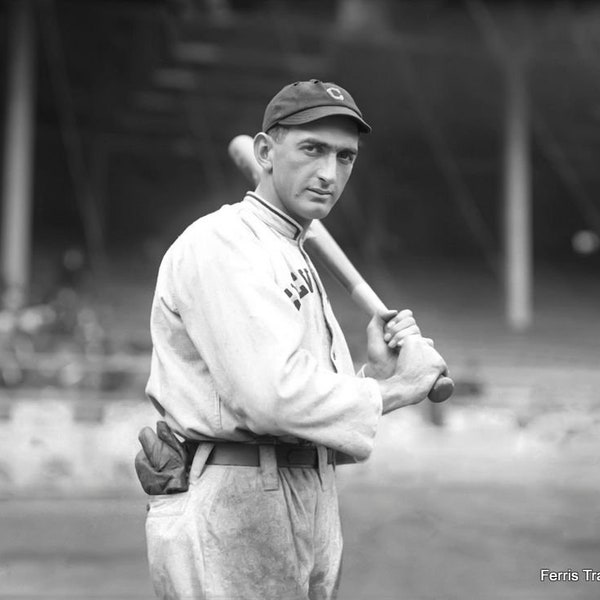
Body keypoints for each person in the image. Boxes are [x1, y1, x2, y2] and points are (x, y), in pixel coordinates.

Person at [137, 79, 448, 600]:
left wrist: (376, 377)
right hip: (231, 500)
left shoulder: (289, 249)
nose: (329, 173)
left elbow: (304, 409)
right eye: (312, 149)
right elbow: (271, 399)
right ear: (264, 152)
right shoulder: (224, 245)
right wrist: (402, 389)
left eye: (345, 157)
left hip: (299, 494)